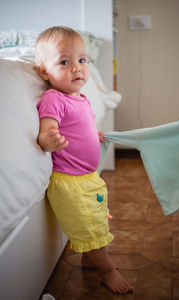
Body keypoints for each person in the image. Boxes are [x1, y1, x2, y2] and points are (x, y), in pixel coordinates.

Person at [35, 26, 133, 294]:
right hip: (71, 182)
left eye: (82, 60)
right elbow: (46, 132)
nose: (76, 68)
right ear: (44, 71)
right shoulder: (54, 98)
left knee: (96, 221)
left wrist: (95, 135)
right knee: (89, 228)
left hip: (88, 178)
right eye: (64, 62)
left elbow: (81, 127)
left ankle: (90, 257)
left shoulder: (83, 99)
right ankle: (107, 270)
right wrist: (48, 140)